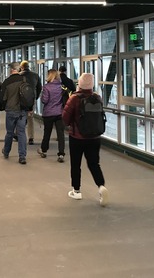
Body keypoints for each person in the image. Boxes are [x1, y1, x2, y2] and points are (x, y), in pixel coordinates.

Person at [62, 73, 108, 206]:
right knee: (94, 163)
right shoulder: (97, 98)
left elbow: (65, 118)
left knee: (76, 164)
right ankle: (101, 186)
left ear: (80, 84)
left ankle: (76, 191)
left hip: (77, 137)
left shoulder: (74, 99)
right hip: (95, 137)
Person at [0, 62, 31, 164]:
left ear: (11, 70)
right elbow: (29, 94)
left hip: (11, 110)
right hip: (22, 110)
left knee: (9, 132)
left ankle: (6, 151)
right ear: (18, 69)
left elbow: (2, 98)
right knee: (21, 133)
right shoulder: (24, 80)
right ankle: (22, 156)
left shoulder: (7, 82)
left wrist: (3, 106)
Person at [37, 69, 66, 163]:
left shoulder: (46, 87)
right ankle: (61, 153)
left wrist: (42, 95)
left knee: (47, 133)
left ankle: (44, 150)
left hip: (49, 113)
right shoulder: (61, 87)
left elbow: (44, 100)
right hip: (59, 113)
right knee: (60, 134)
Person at [19, 60, 42, 145]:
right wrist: (36, 97)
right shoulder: (35, 75)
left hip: (20, 100)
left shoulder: (18, 76)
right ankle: (31, 137)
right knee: (30, 118)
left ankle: (19, 135)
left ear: (21, 67)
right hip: (31, 100)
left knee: (20, 117)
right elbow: (39, 87)